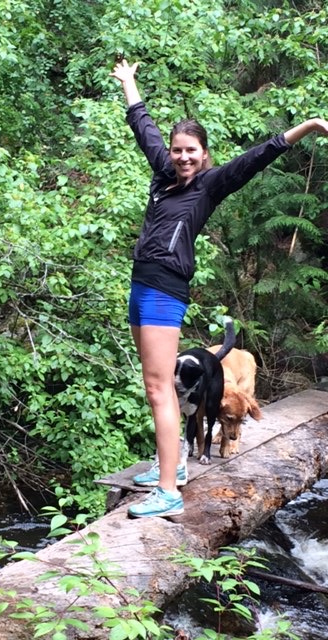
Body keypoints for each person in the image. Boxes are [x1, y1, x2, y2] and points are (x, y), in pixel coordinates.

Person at [110, 58, 328, 518]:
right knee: (156, 385)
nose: (183, 157)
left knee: (159, 387)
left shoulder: (208, 186)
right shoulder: (162, 175)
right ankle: (173, 469)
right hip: (141, 283)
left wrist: (305, 128)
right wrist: (130, 84)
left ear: (204, 155)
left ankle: (168, 490)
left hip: (165, 289)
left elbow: (254, 159)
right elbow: (143, 127)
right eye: (177, 150)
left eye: (192, 151)